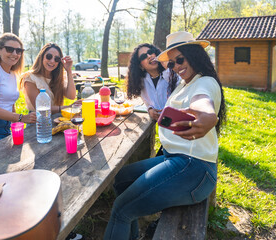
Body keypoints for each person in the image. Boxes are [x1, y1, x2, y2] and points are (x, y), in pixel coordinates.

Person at [103, 31, 226, 240]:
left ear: (194, 54)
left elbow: (202, 102)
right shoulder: (184, 83)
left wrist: (207, 116)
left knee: (121, 210)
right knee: (121, 179)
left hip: (193, 168)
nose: (176, 66)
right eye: (172, 64)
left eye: (180, 60)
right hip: (175, 157)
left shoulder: (204, 82)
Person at [126, 43, 180, 121]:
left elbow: (183, 87)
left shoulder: (172, 73)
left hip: (178, 121)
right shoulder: (141, 81)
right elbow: (146, 100)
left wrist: (168, 69)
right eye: (143, 56)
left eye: (151, 52)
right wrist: (150, 109)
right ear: (141, 66)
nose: (149, 56)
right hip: (161, 125)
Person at [20, 42, 77, 114]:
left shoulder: (58, 78)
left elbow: (71, 96)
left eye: (57, 59)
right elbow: (40, 107)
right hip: (37, 122)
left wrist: (68, 70)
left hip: (57, 119)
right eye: (49, 56)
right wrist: (68, 107)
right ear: (41, 56)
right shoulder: (30, 77)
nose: (52, 61)